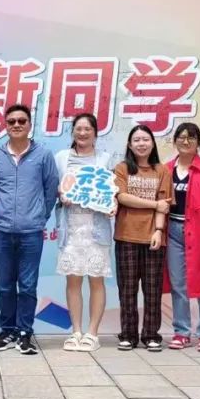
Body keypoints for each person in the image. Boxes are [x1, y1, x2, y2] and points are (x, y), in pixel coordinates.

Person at [0, 104, 59, 355]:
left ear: (29, 124)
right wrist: (2, 210)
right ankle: (7, 330)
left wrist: (40, 215)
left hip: (31, 232)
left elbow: (51, 189)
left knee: (27, 286)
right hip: (1, 230)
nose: (16, 125)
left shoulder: (44, 155)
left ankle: (24, 332)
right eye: (11, 121)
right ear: (5, 126)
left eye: (21, 121)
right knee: (5, 285)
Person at [54, 113, 115, 352]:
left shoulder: (105, 158)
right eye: (78, 129)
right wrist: (61, 195)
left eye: (87, 129)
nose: (82, 133)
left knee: (96, 280)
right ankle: (76, 331)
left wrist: (112, 203)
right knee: (73, 281)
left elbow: (112, 191)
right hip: (71, 227)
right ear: (72, 132)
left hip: (97, 227)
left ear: (95, 133)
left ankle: (92, 333)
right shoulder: (61, 158)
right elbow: (54, 188)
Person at [114, 124, 173, 352]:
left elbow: (164, 205)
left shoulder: (162, 170)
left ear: (152, 143)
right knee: (127, 289)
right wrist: (154, 204)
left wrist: (158, 230)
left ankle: (151, 335)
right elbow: (122, 197)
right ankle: (128, 334)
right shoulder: (122, 169)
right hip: (126, 236)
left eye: (145, 139)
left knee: (152, 289)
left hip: (153, 238)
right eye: (136, 140)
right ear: (130, 145)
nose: (141, 143)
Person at [165, 122, 200, 352]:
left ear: (199, 142)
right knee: (178, 284)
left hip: (199, 231)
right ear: (175, 141)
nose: (185, 141)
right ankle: (181, 332)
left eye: (191, 138)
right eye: (181, 137)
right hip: (172, 231)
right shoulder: (166, 169)